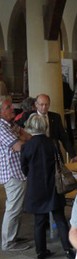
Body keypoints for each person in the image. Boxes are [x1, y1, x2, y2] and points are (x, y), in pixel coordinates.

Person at [20, 114, 75, 259]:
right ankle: (68, 249)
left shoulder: (27, 146)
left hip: (35, 188)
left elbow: (24, 168)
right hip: (53, 186)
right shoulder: (51, 143)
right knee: (60, 219)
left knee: (39, 221)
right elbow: (59, 162)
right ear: (44, 126)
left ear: (30, 126)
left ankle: (41, 251)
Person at [0, 95, 32, 251]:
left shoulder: (9, 124)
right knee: (13, 208)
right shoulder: (1, 127)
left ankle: (13, 237)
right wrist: (21, 140)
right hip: (12, 174)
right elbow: (20, 146)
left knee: (17, 207)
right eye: (8, 107)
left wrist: (21, 138)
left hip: (18, 172)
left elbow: (28, 137)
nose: (12, 109)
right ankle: (8, 242)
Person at [25, 94, 77, 162]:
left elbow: (64, 137)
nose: (44, 107)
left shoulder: (55, 117)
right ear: (36, 104)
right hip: (36, 154)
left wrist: (73, 155)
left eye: (46, 104)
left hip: (54, 154)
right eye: (41, 104)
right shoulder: (29, 116)